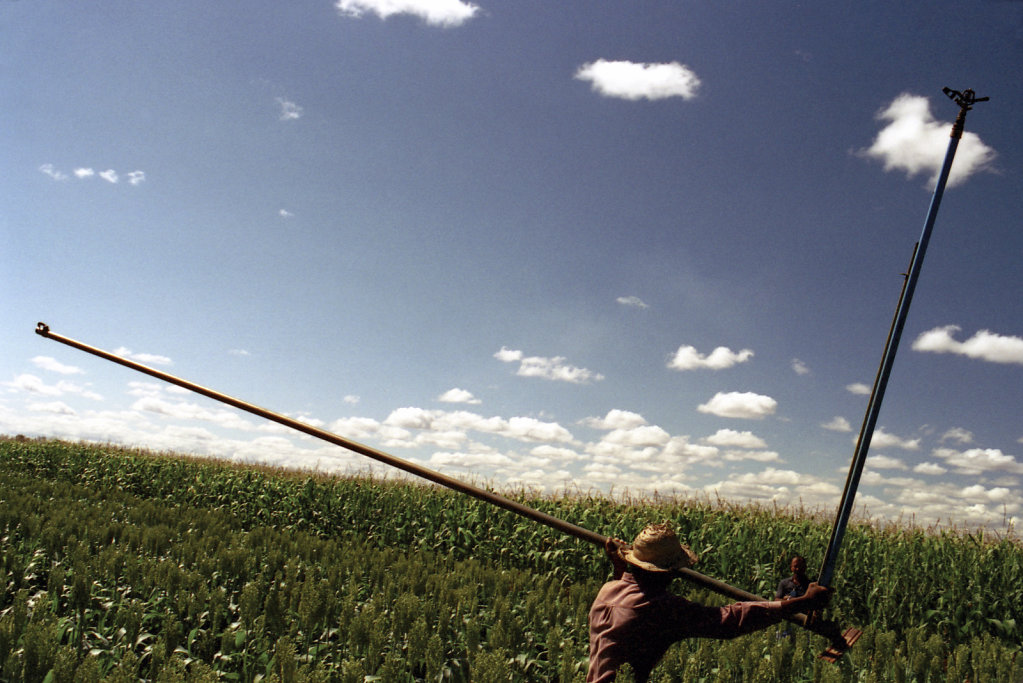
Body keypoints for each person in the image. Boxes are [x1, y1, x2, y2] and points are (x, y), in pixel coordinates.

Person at [587, 524, 832, 683]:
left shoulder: (608, 590)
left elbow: (629, 607)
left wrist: (619, 566)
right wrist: (800, 603)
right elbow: (728, 620)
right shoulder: (661, 607)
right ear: (668, 571)